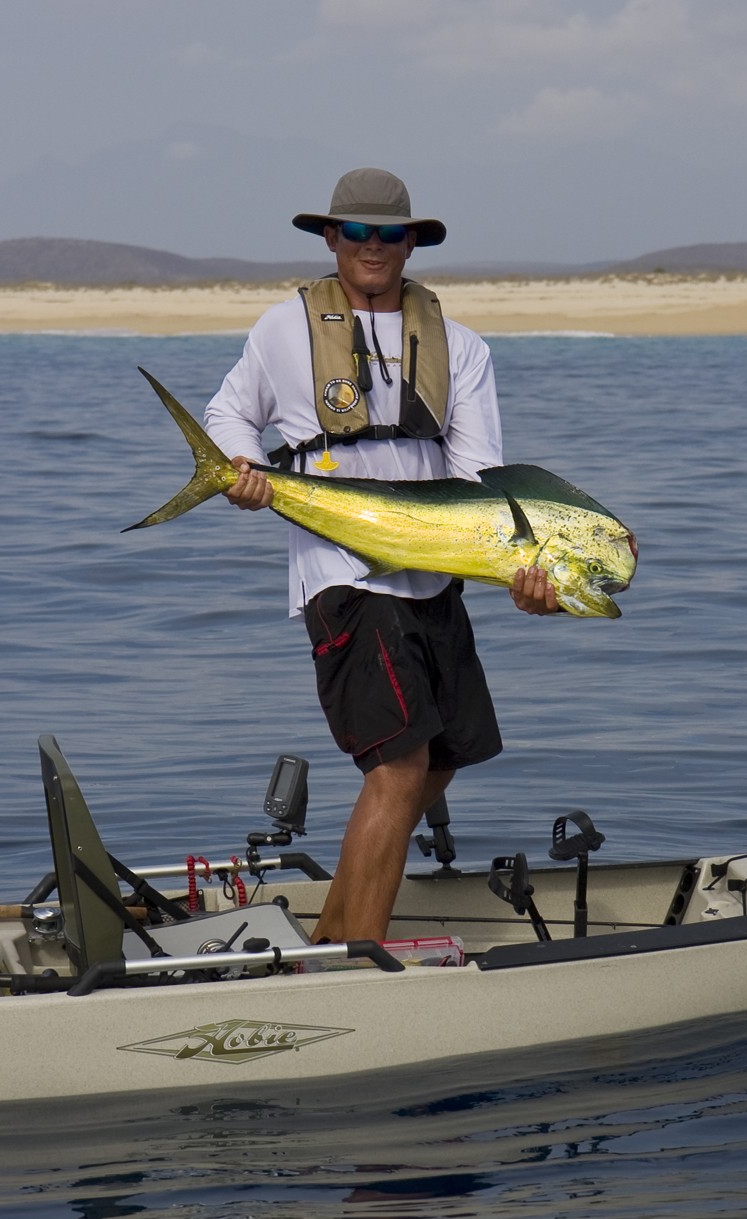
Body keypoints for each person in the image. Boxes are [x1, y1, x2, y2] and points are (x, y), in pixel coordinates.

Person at [203, 167, 558, 946]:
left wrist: (525, 580)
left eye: (388, 234)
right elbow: (230, 413)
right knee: (397, 769)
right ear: (330, 238)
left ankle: (332, 937)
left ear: (411, 242)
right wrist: (243, 472)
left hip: (435, 581)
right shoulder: (282, 329)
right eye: (356, 232)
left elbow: (478, 480)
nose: (372, 247)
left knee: (442, 757)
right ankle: (361, 967)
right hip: (345, 577)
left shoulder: (460, 347)